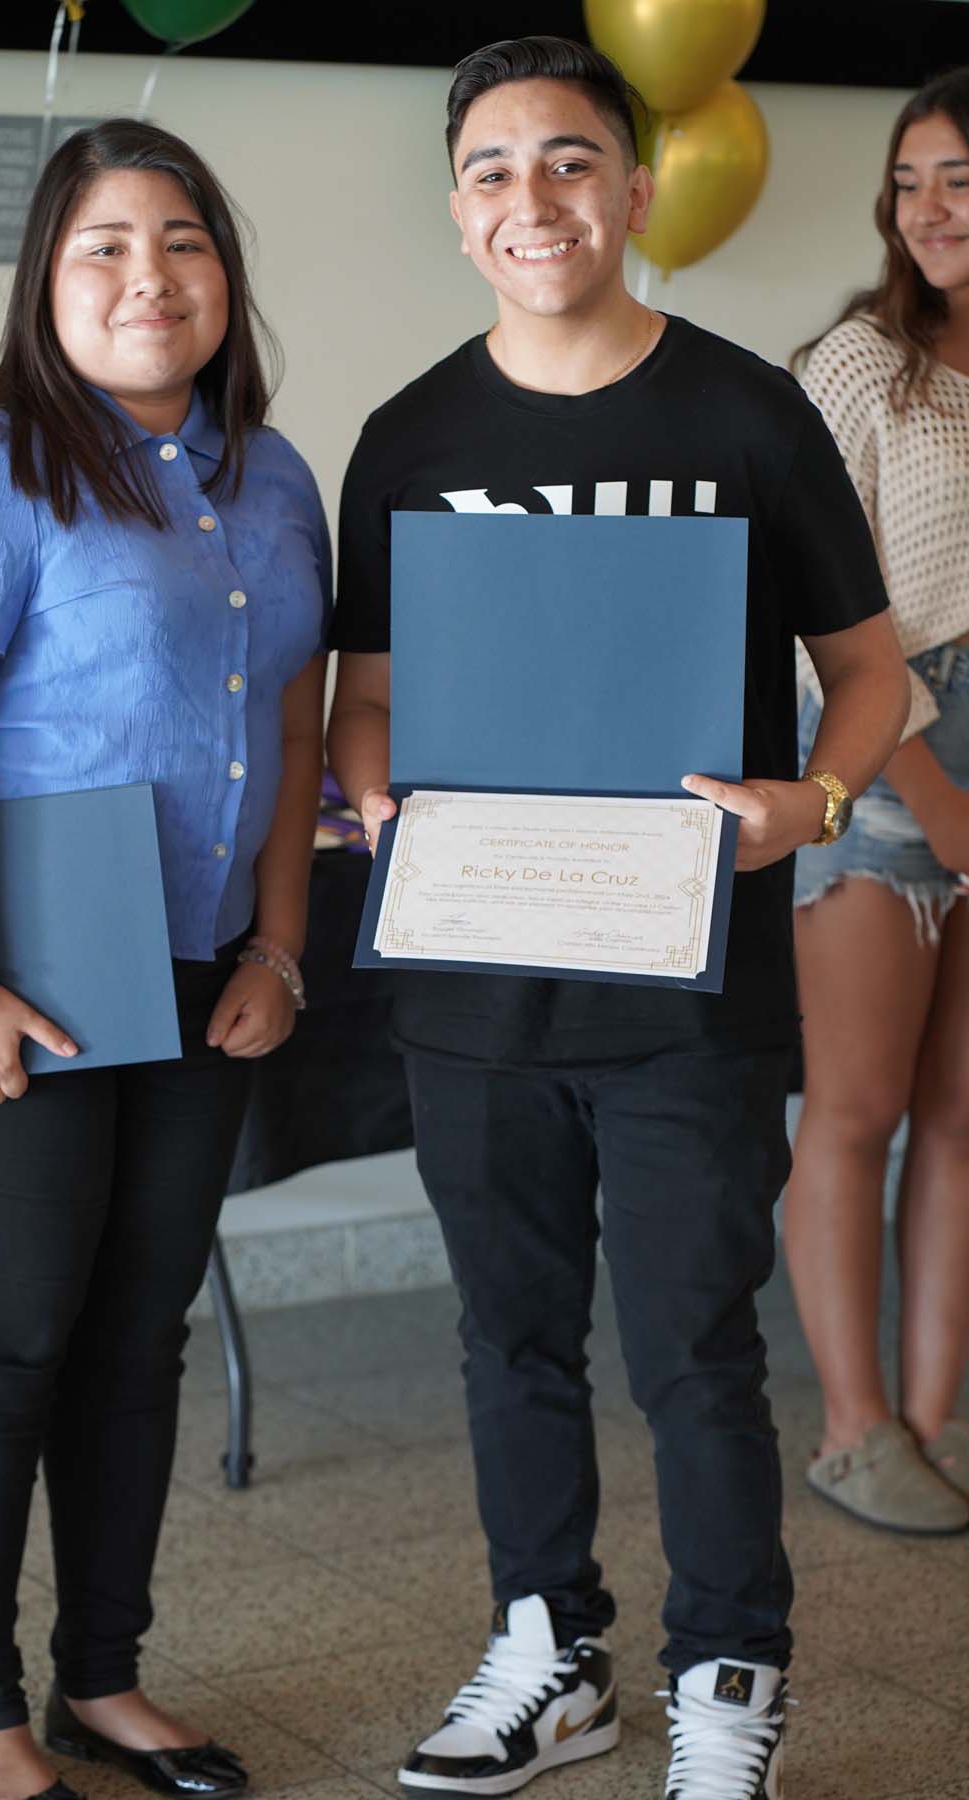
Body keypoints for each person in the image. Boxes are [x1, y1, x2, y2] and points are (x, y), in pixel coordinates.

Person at [326, 36, 910, 1800]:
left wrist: (806, 807)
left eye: (572, 161)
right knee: (505, 1339)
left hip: (682, 994)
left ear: (636, 189)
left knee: (694, 1350)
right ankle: (547, 1651)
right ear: (456, 209)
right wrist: (370, 793)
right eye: (495, 170)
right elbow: (368, 696)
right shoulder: (412, 434)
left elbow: (873, 677)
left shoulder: (744, 411)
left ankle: (728, 1682)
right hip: (476, 988)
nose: (535, 200)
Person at [0, 119, 329, 1800]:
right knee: (3, 1344)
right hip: (1, 968)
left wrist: (280, 940)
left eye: (184, 241)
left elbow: (288, 717)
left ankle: (100, 1685)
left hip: (194, 968)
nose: (151, 277)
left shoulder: (272, 478)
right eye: (104, 246)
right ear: (48, 280)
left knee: (137, 1340)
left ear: (226, 272)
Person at [785, 69, 969, 1537]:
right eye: (910, 181)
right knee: (857, 1107)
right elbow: (814, 612)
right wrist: (921, 779)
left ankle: (929, 1415)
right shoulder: (856, 366)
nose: (929, 210)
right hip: (887, 744)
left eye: (960, 177)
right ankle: (853, 1432)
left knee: (964, 1117)